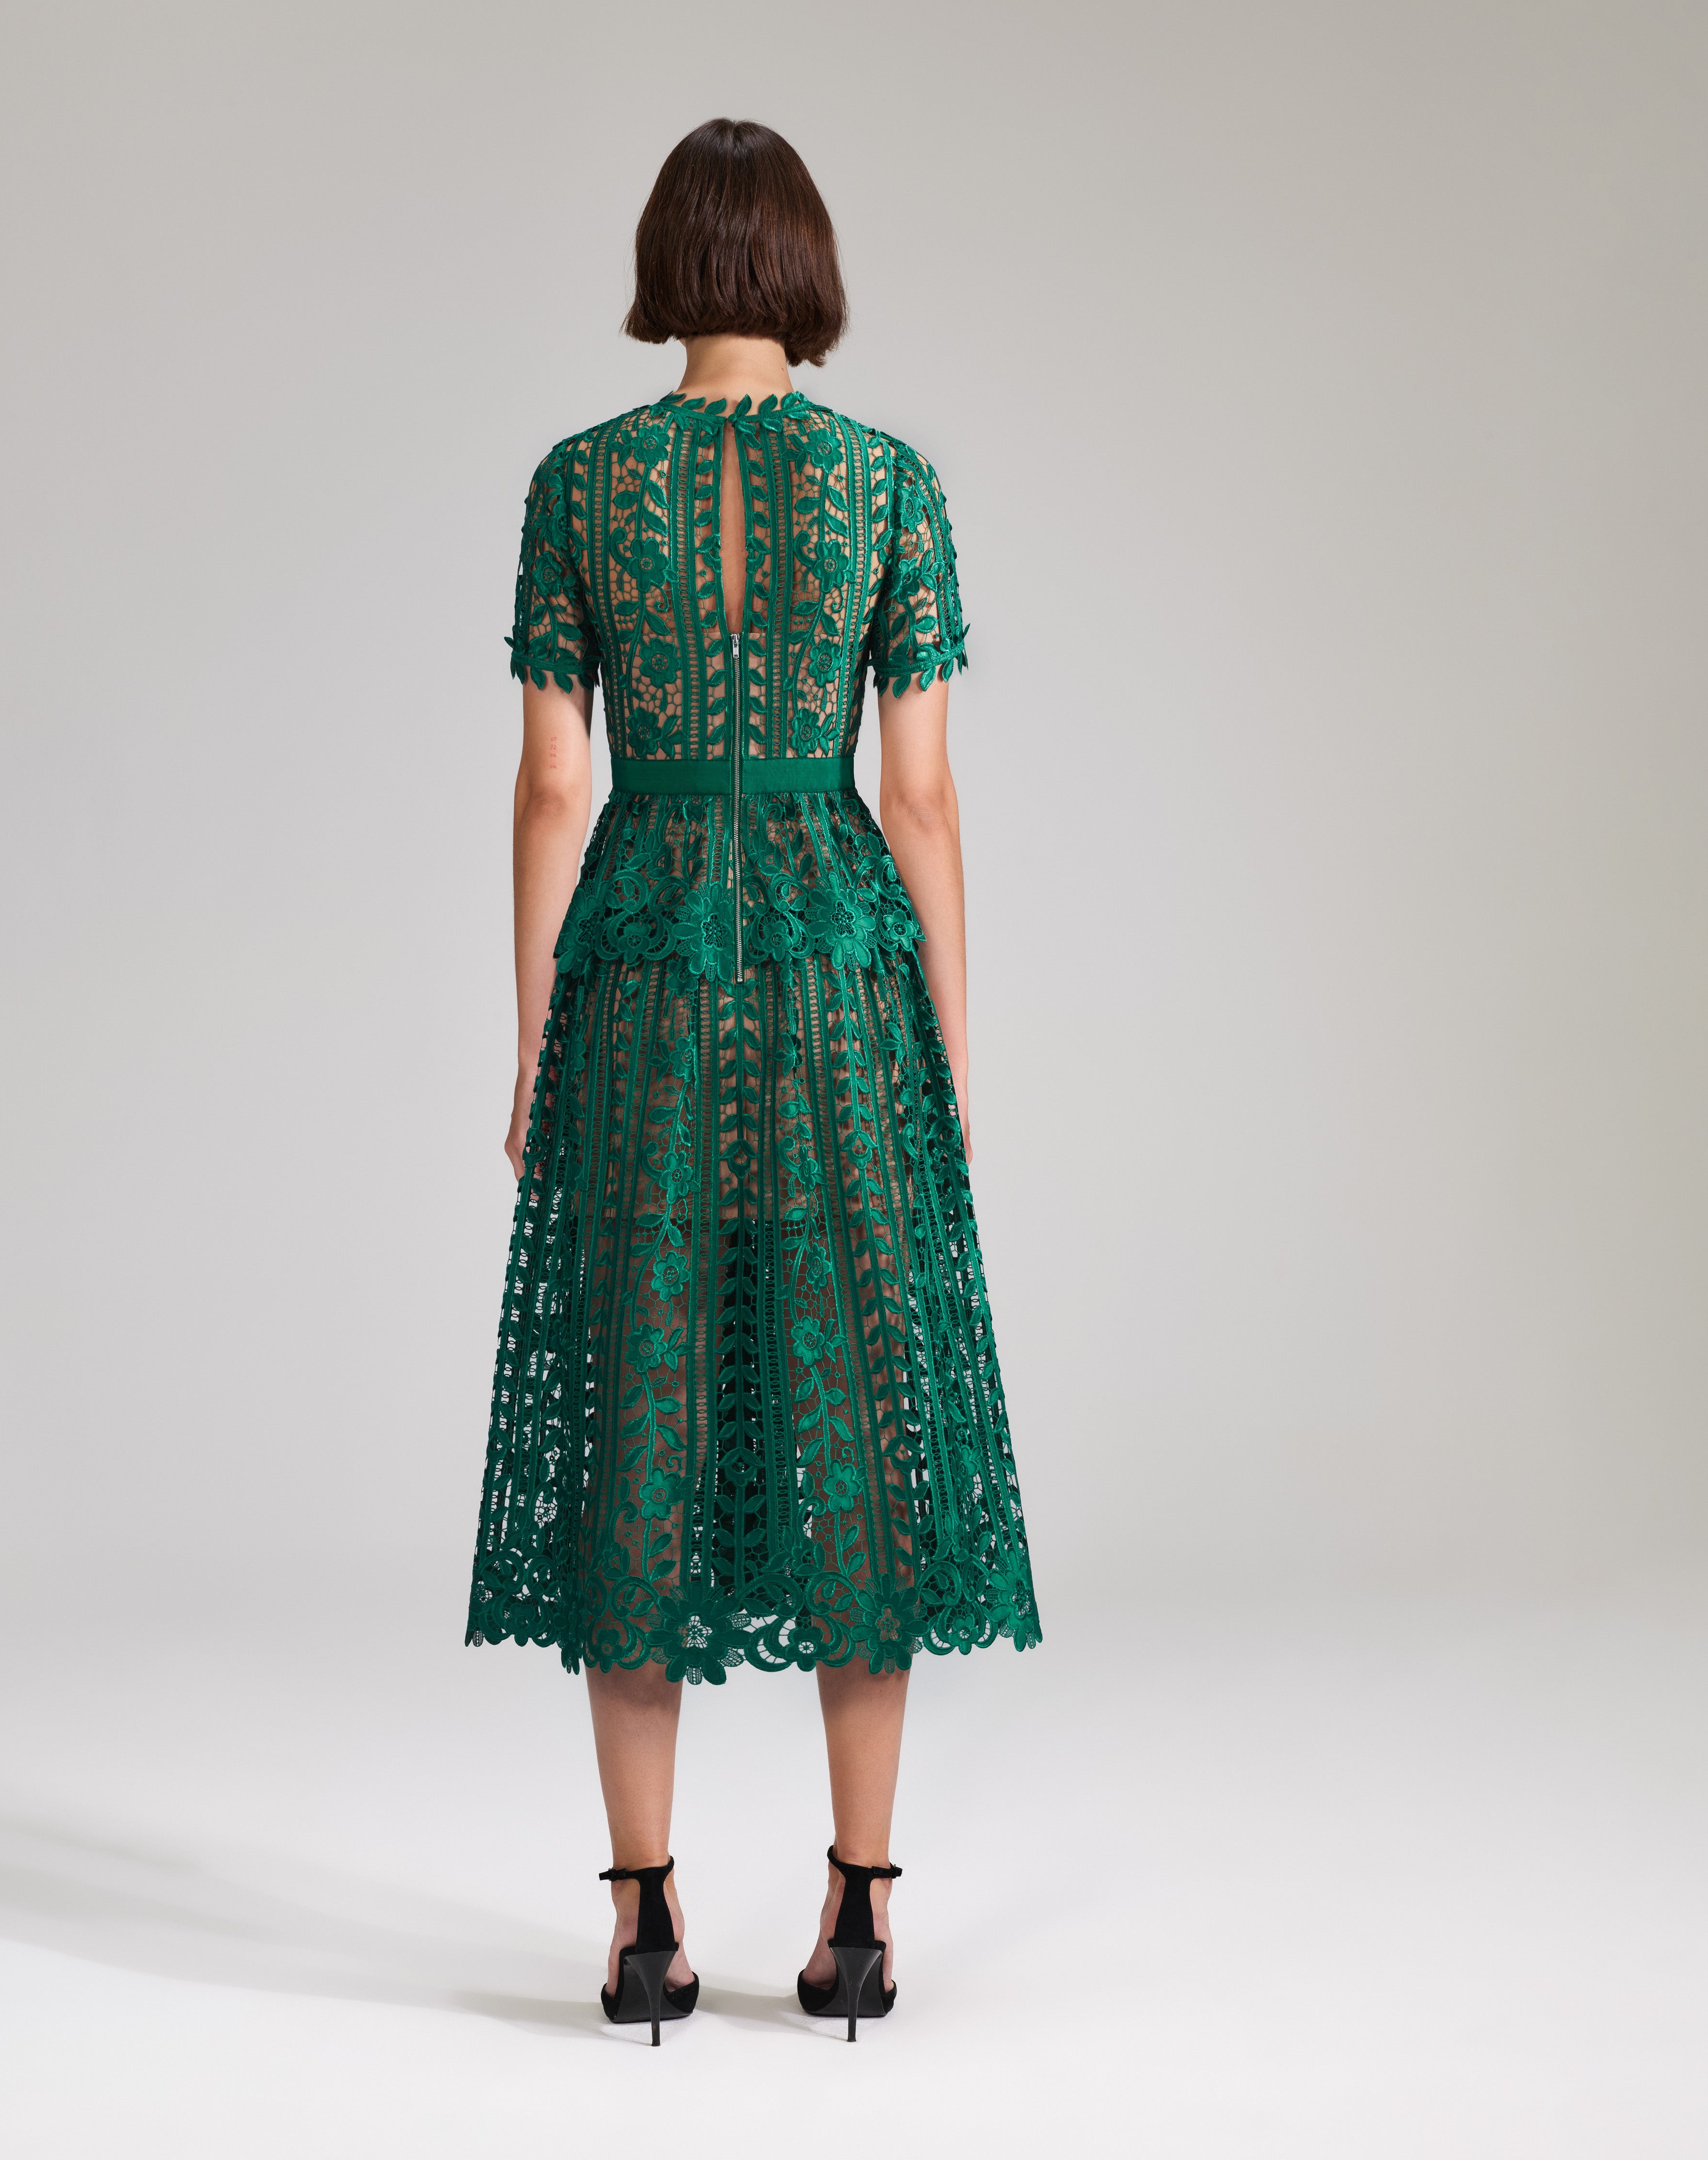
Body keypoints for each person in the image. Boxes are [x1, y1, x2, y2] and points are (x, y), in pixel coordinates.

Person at [465, 117, 1040, 2043]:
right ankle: (861, 1908)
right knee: (848, 1409)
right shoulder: (889, 484)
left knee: (641, 1398)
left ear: (666, 265)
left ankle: (640, 1923)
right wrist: (947, 1045)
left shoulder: (578, 483)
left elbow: (554, 782)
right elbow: (922, 797)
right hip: (831, 970)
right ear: (802, 265)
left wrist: (532, 1034)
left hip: (643, 965)